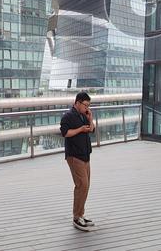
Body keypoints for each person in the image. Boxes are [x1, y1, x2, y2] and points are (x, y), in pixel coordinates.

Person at [60, 92, 96, 231]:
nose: (87, 108)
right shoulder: (68, 116)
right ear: (77, 103)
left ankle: (81, 214)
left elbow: (92, 129)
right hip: (75, 156)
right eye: (85, 105)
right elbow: (65, 133)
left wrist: (90, 118)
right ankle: (76, 217)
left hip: (86, 155)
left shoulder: (84, 115)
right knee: (82, 184)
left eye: (89, 105)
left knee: (86, 186)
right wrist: (80, 129)